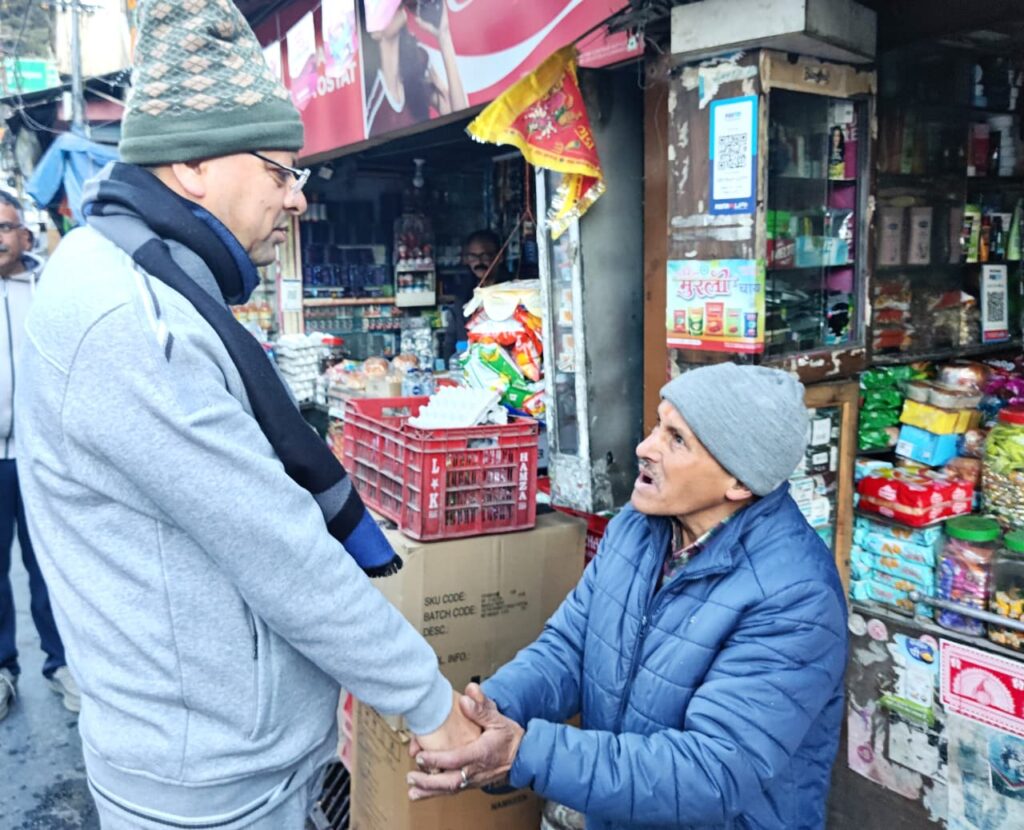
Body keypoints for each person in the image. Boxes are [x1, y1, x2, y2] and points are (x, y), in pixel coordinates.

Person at [14, 2, 476, 828]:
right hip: (209, 782)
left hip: (216, 753)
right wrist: (429, 704)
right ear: (192, 165)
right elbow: (278, 550)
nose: (297, 199)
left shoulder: (139, 271)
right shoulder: (131, 317)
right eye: (279, 170)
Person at [407, 362, 849, 830]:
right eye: (659, 424)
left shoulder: (795, 598)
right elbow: (570, 648)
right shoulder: (637, 530)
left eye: (677, 439)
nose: (645, 448)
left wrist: (521, 752)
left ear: (739, 483)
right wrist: (484, 717)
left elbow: (711, 772)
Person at [0, 191, 78, 721]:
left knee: (52, 561)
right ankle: (3, 669)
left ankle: (62, 663)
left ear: (25, 234)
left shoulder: (51, 285)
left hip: (42, 451)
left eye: (3, 227)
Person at [442, 228, 510, 358]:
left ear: (499, 257)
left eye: (485, 256)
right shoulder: (464, 295)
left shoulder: (512, 291)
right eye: (473, 257)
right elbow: (452, 338)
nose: (479, 262)